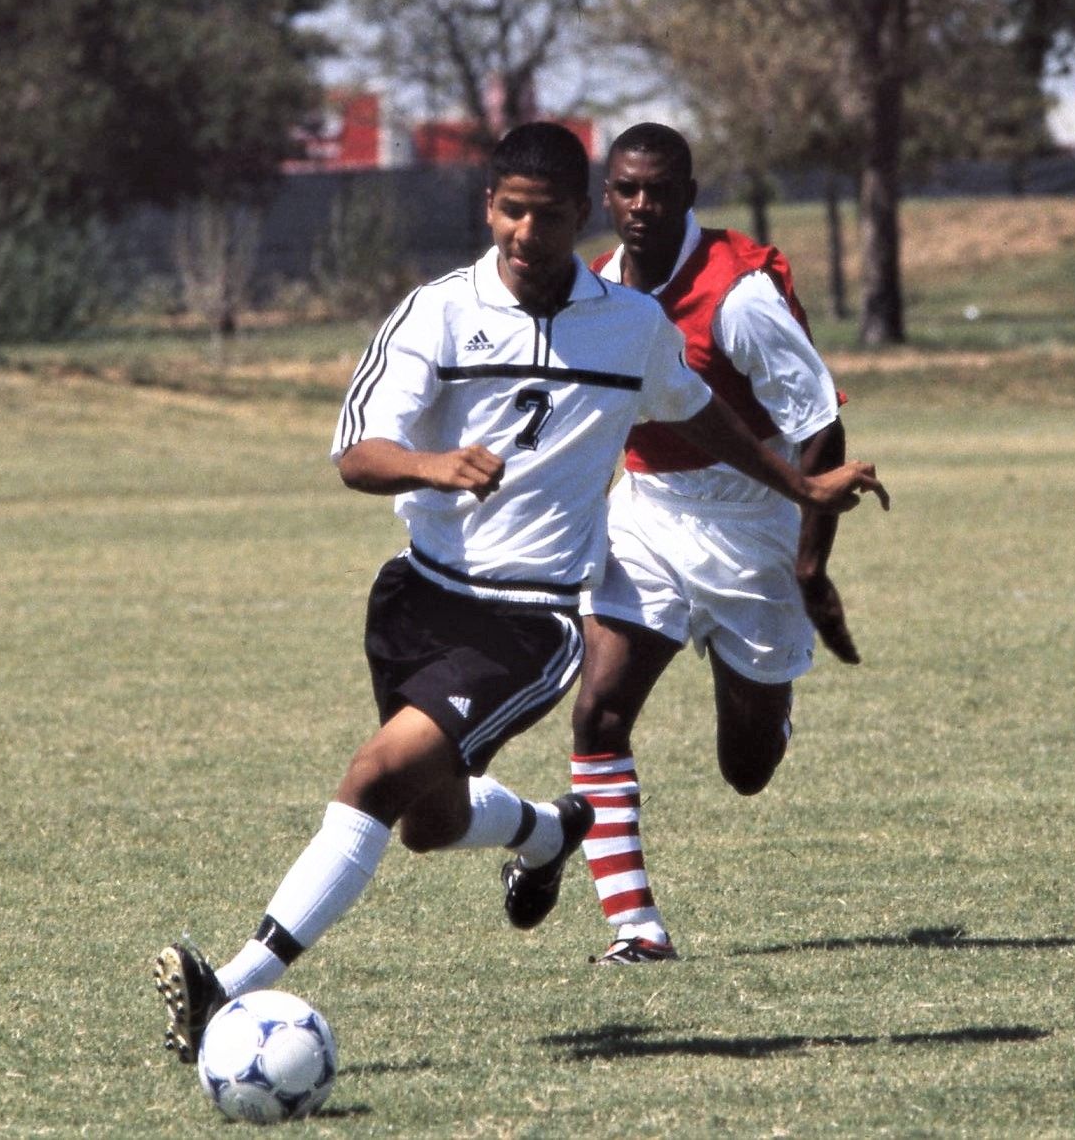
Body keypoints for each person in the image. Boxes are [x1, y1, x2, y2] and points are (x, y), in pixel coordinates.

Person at [152, 122, 888, 1064]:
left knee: (376, 773)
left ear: (576, 217)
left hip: (530, 621)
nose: (524, 233)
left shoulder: (630, 324)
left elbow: (703, 417)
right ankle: (550, 831)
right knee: (428, 820)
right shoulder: (436, 312)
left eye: (545, 215)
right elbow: (355, 455)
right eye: (508, 210)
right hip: (418, 597)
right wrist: (435, 464)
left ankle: (232, 983)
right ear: (487, 208)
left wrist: (803, 490)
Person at [569, 123, 873, 965]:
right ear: (607, 194)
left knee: (745, 771)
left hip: (754, 523)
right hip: (650, 514)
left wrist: (811, 567)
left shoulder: (739, 296)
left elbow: (822, 428)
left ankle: (770, 707)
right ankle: (638, 931)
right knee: (598, 711)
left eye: (659, 189)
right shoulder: (596, 286)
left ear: (689, 190)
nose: (641, 205)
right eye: (626, 189)